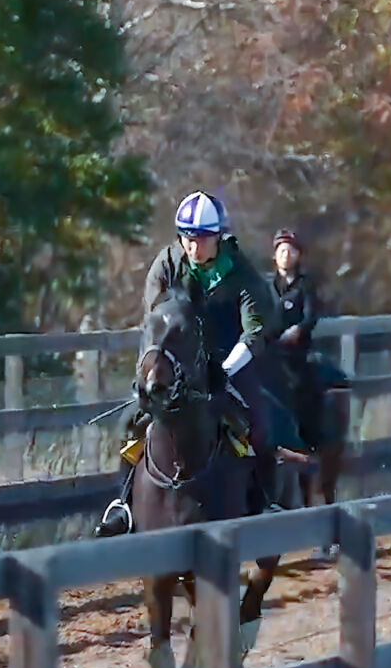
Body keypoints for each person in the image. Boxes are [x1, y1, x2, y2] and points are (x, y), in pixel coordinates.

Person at [95, 191, 284, 538]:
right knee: (131, 422)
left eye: (203, 240)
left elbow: (255, 330)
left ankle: (265, 500)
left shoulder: (241, 274)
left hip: (229, 358)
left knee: (258, 422)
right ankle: (122, 504)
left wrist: (225, 369)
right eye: (188, 239)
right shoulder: (166, 264)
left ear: (220, 237)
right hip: (178, 362)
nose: (194, 248)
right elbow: (155, 323)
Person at [268, 228, 325, 447]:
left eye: (291, 251)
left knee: (306, 386)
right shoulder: (266, 285)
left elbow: (311, 316)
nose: (286, 255)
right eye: (281, 251)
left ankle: (309, 439)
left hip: (296, 353)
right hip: (269, 350)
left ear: (298, 255)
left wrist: (298, 330)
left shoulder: (306, 285)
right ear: (275, 255)